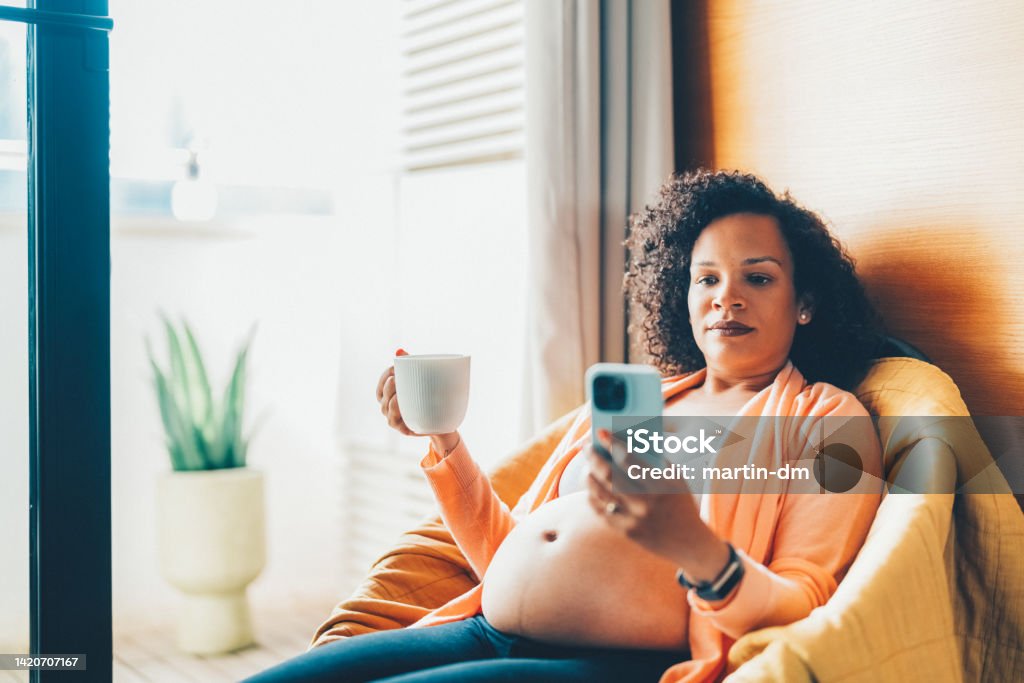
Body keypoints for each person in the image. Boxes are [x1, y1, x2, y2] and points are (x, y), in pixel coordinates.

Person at [244, 169, 885, 683]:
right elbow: (507, 552)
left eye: (759, 277)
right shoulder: (638, 399)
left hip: (613, 662)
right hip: (485, 628)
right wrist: (443, 438)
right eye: (706, 278)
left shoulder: (828, 422)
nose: (726, 297)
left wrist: (696, 547)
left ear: (805, 303)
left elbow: (805, 601)